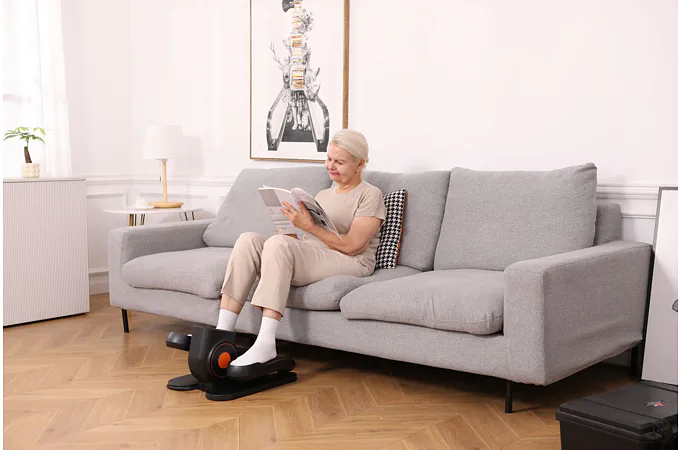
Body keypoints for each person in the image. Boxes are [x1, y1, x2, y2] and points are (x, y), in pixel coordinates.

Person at [217, 129, 386, 366]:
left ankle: (265, 344)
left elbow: (353, 245)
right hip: (316, 255)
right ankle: (221, 334)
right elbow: (307, 240)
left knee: (279, 245)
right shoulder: (323, 194)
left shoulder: (370, 194)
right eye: (329, 159)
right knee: (248, 240)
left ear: (360, 164)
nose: (330, 166)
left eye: (339, 162)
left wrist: (308, 227)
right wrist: (288, 227)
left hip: (351, 260)